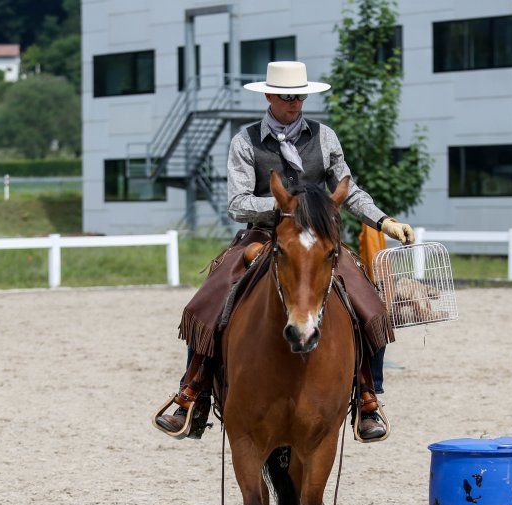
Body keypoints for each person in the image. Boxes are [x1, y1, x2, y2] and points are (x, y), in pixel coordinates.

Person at [155, 61, 415, 443]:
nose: (294, 103)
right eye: (286, 96)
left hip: (318, 237)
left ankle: (367, 396)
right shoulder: (245, 141)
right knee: (211, 296)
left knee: (368, 301)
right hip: (264, 235)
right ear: (269, 96)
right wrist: (285, 207)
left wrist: (383, 221)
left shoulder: (325, 137)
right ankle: (192, 392)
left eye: (299, 96)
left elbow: (349, 190)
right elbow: (238, 203)